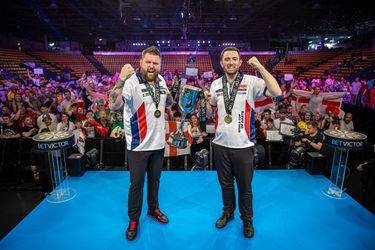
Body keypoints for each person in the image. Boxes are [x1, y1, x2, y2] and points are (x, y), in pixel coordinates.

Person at [206, 47, 281, 238]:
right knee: (225, 184)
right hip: (221, 144)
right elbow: (210, 112)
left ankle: (247, 220)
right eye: (227, 60)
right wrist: (205, 101)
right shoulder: (215, 84)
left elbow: (276, 91)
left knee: (245, 187)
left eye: (234, 59)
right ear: (221, 63)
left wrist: (260, 67)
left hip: (244, 145)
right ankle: (228, 212)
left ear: (240, 62)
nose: (230, 62)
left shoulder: (251, 81)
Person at [109, 46, 173, 241]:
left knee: (155, 181)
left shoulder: (161, 80)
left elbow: (168, 101)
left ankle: (153, 209)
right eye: (148, 62)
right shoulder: (130, 81)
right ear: (141, 62)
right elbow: (113, 105)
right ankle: (133, 219)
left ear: (160, 65)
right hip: (138, 145)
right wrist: (120, 79)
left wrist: (178, 93)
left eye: (155, 63)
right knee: (136, 184)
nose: (152, 66)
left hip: (158, 144)